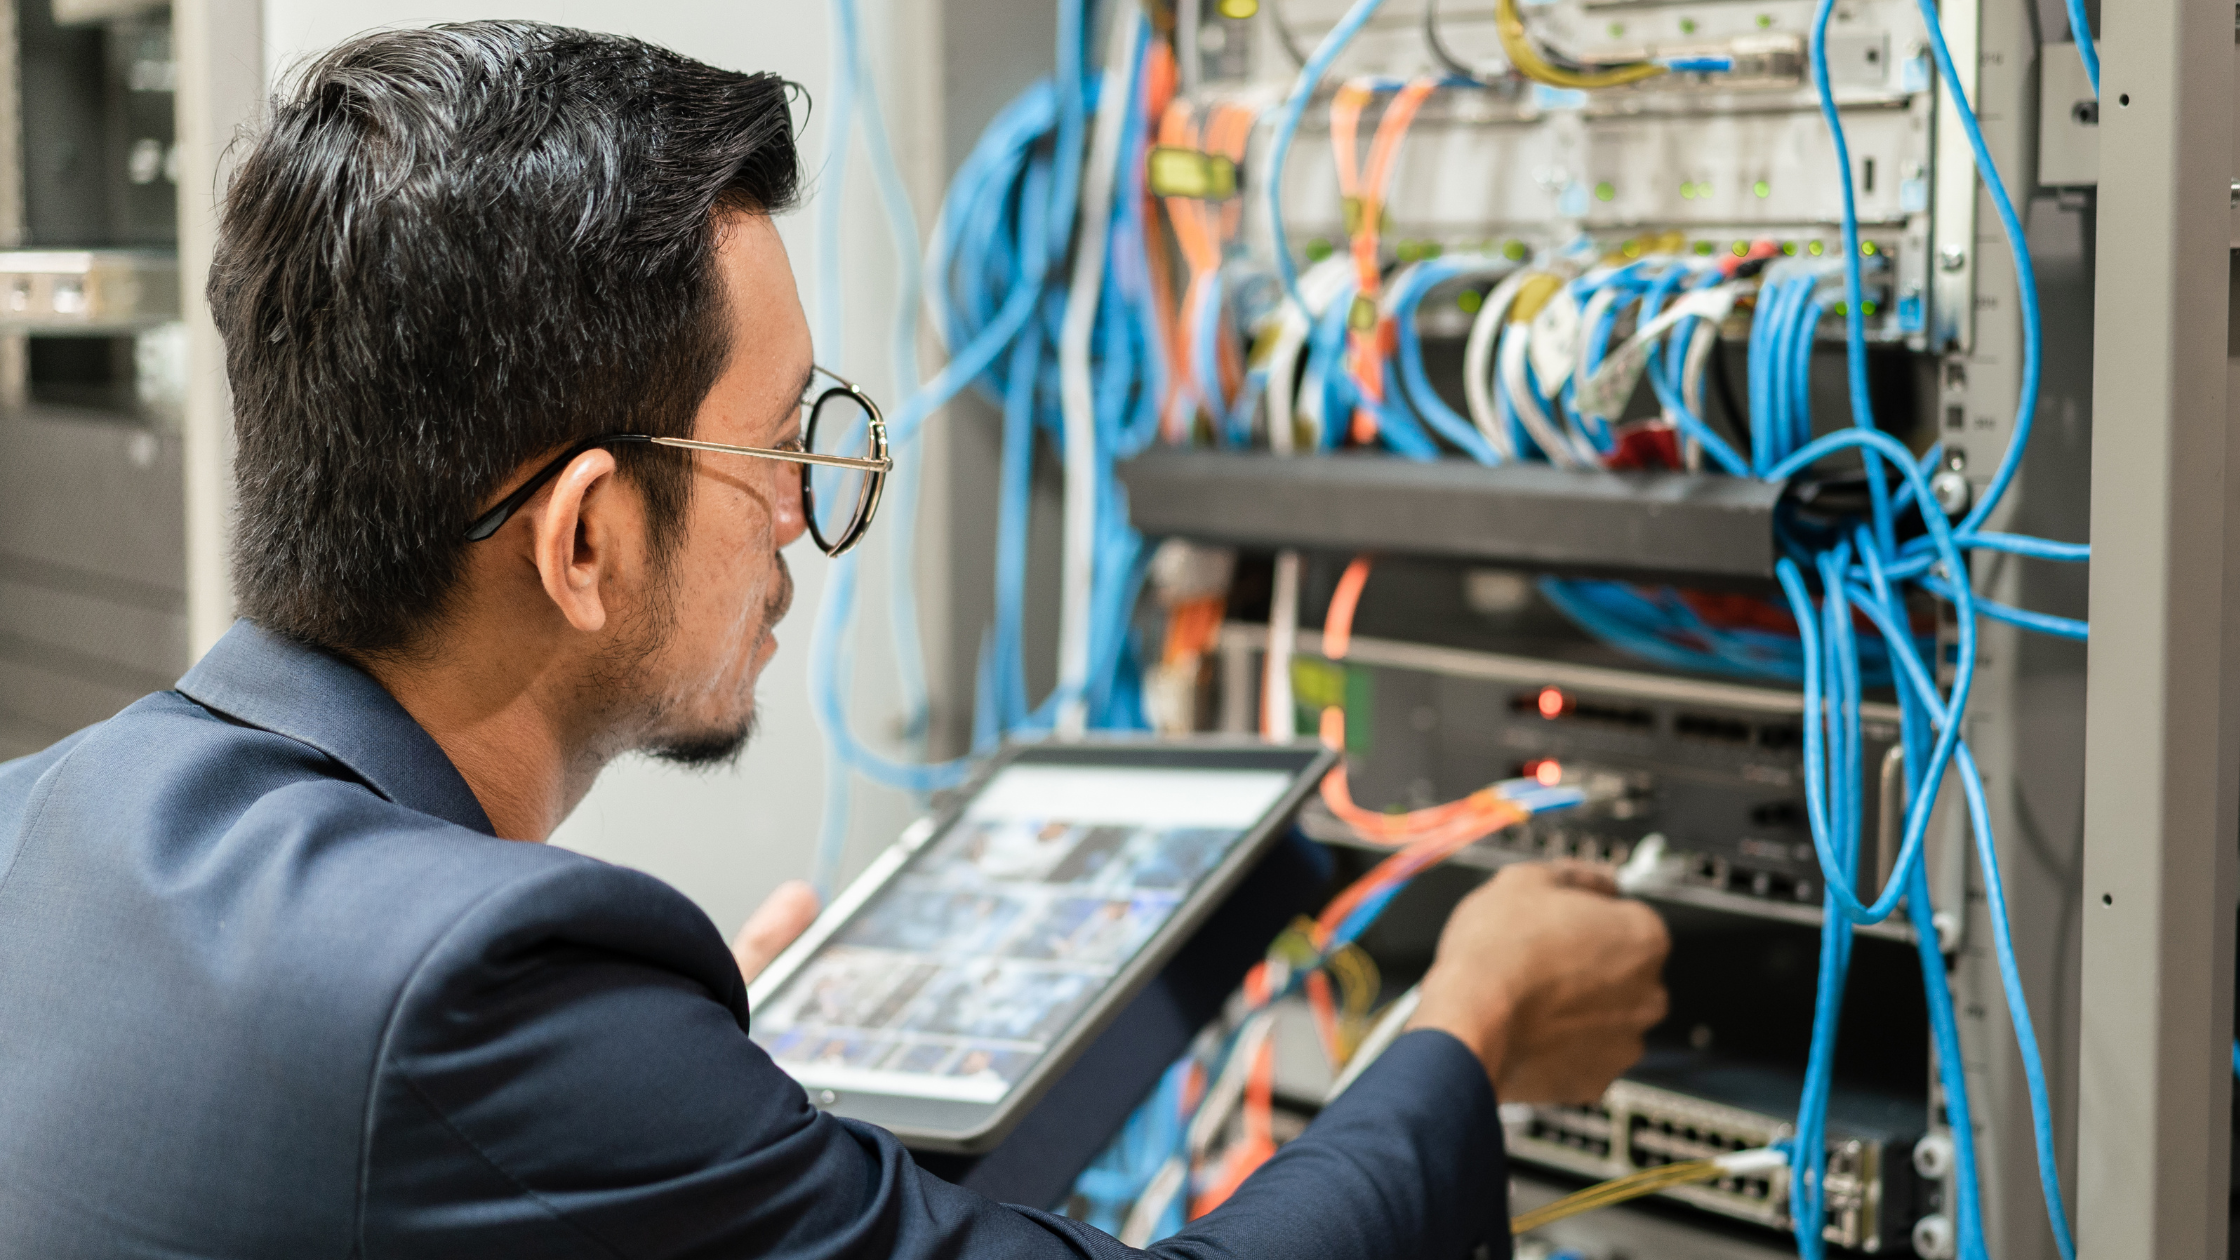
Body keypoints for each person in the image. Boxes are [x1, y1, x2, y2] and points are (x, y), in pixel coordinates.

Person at [0, 21, 1669, 1259]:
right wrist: (1471, 1028)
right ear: (585, 537)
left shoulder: (44, 816)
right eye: (778, 451)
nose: (802, 513)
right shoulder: (484, 998)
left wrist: (709, 1122)